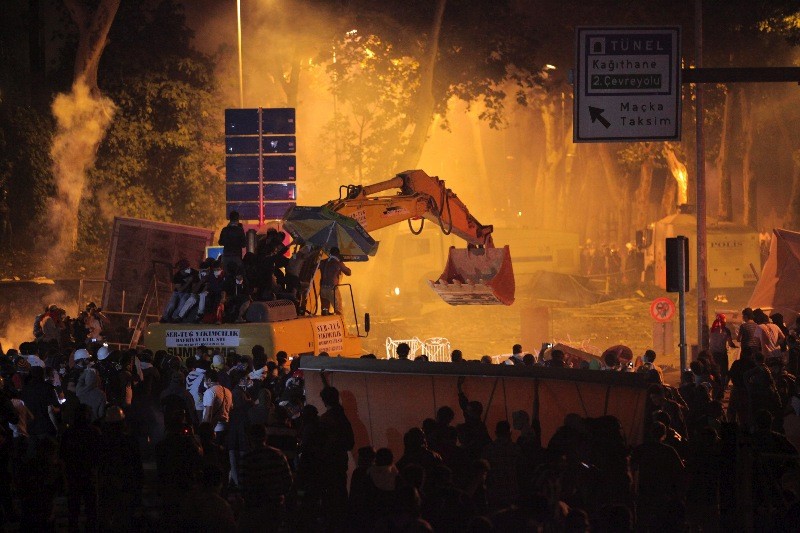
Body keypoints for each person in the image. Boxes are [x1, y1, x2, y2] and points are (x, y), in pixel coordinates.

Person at [318, 378, 355, 531]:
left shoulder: (325, 420)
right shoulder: (343, 417)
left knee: (331, 497)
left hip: (328, 464)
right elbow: (350, 443)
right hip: (340, 462)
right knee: (340, 492)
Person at [202, 369, 233, 441]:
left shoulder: (210, 392)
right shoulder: (228, 391)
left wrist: (204, 430)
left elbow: (208, 414)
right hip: (226, 428)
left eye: (205, 379)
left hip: (214, 429)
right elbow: (231, 408)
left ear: (209, 380)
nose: (204, 382)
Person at [319, 247, 351, 315]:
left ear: (330, 253)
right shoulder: (338, 263)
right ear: (338, 254)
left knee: (325, 309)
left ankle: (325, 318)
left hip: (323, 289)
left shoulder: (323, 262)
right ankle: (340, 322)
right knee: (338, 310)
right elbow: (348, 273)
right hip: (332, 290)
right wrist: (345, 267)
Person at [709, 313, 737, 392]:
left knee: (714, 371)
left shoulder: (711, 329)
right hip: (722, 353)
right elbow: (730, 343)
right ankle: (723, 386)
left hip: (713, 353)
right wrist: (735, 346)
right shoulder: (726, 330)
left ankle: (715, 387)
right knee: (724, 371)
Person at [218, 210, 247, 274]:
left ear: (230, 219)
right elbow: (244, 244)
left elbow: (220, 242)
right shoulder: (240, 230)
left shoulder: (225, 230)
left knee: (225, 274)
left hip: (226, 257)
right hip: (237, 257)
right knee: (238, 274)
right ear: (238, 219)